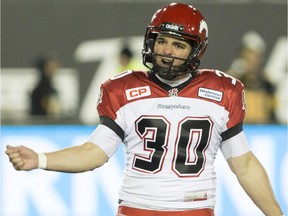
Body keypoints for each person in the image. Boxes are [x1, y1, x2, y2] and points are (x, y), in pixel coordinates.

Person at [5, 3, 283, 216]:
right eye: (162, 40)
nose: (166, 50)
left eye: (178, 44)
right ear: (151, 40)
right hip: (136, 208)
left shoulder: (222, 91)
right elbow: (93, 154)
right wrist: (40, 159)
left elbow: (244, 165)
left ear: (196, 51)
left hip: (195, 209)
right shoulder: (123, 89)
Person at [227, 31, 277, 124]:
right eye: (247, 54)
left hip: (261, 131)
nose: (250, 58)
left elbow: (273, 114)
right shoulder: (232, 81)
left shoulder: (267, 85)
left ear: (260, 58)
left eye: (254, 55)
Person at [30, 52, 61, 116]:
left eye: (55, 66)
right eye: (50, 67)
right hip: (41, 124)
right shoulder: (38, 92)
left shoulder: (52, 90)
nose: (54, 69)